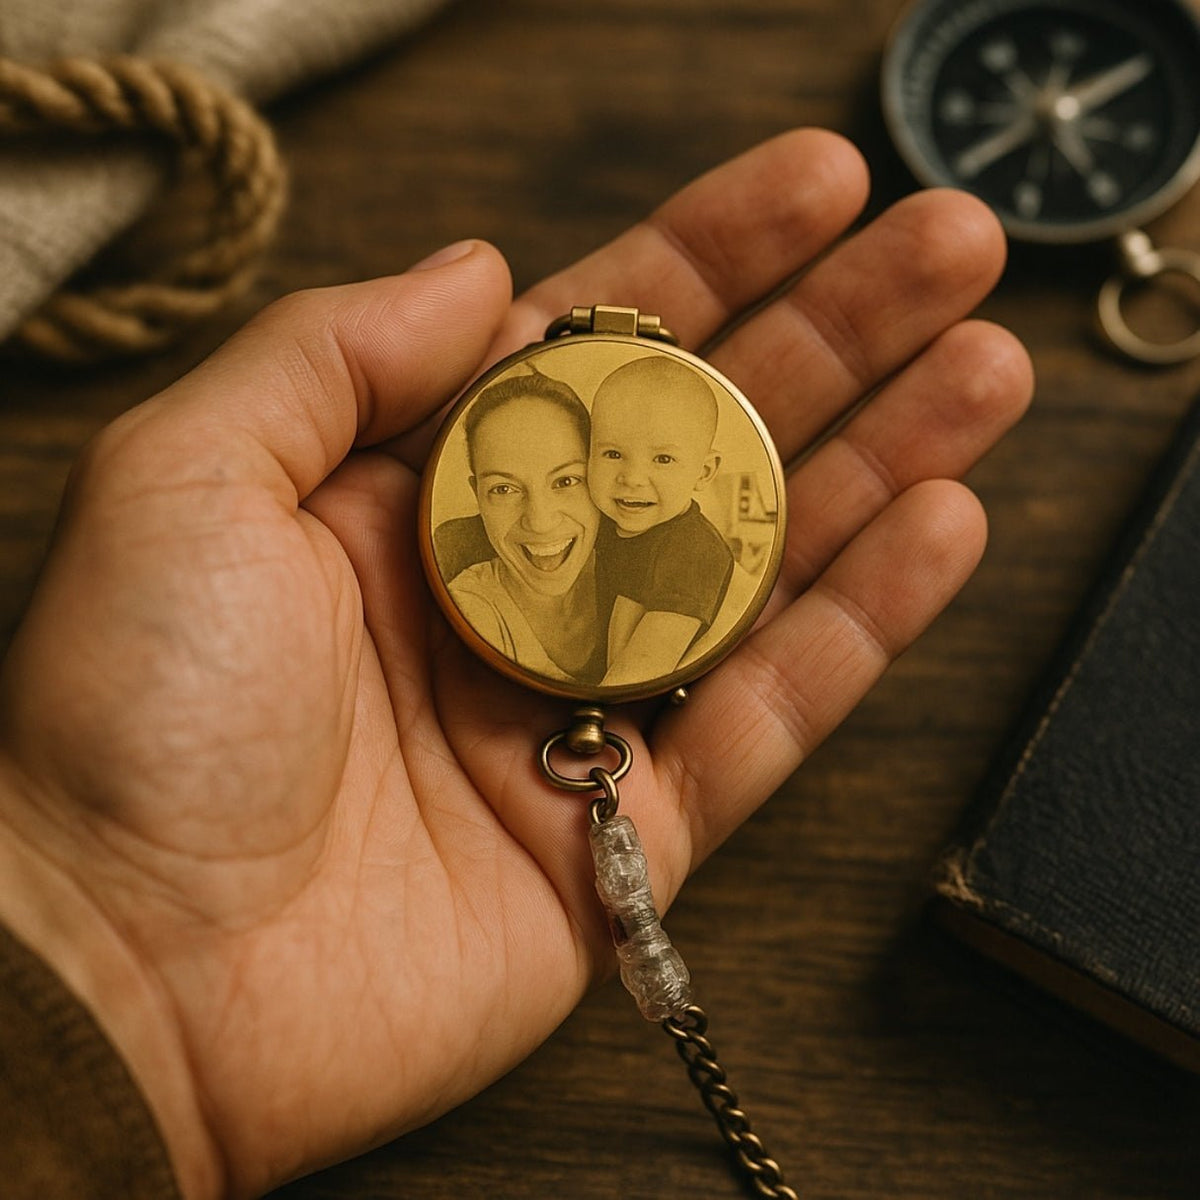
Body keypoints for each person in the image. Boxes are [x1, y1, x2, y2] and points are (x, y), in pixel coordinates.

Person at [0, 129, 1032, 1199]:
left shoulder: (669, 570)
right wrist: (97, 911)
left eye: (603, 477)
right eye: (523, 485)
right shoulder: (482, 580)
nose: (565, 510)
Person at [443, 372, 606, 683]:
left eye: (566, 481)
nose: (539, 521)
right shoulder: (470, 607)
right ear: (476, 494)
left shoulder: (650, 573)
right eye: (504, 489)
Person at [587, 355, 734, 686]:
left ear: (704, 471)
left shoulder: (695, 551)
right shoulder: (597, 520)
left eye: (663, 459)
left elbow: (642, 670)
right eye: (613, 454)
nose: (633, 478)